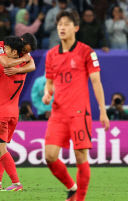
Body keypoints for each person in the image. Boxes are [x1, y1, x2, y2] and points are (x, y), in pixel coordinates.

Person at [42, 10, 110, 201]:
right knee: (50, 156)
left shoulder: (87, 52)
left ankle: (79, 199)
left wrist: (103, 111)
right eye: (59, 24)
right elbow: (50, 82)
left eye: (66, 24)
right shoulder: (51, 55)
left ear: (76, 28)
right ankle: (72, 187)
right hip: (58, 114)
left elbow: (96, 81)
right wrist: (48, 94)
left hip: (79, 113)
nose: (62, 27)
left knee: (81, 157)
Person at [0, 34, 37, 191]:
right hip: (13, 114)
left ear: (13, 50)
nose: (5, 51)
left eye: (8, 49)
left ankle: (16, 183)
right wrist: (23, 60)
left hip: (0, 112)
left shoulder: (2, 69)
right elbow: (30, 65)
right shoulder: (22, 69)